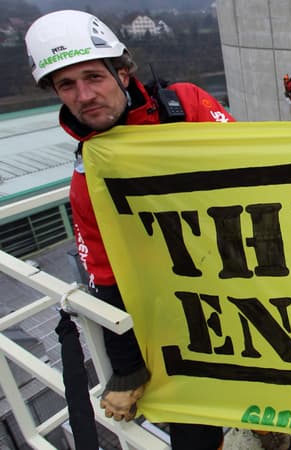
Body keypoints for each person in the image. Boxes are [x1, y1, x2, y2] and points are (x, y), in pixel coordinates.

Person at [24, 10, 241, 450]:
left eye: (93, 77)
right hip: (179, 314)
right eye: (67, 85)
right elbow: (104, 275)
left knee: (271, 382)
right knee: (193, 434)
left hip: (246, 278)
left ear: (122, 73)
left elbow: (262, 170)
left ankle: (266, 427)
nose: (84, 95)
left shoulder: (188, 107)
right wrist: (125, 366)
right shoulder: (88, 181)